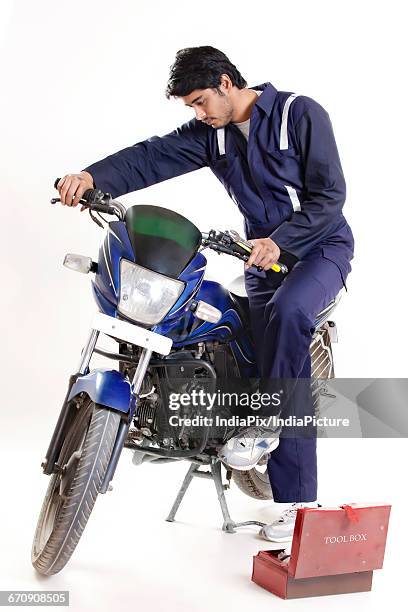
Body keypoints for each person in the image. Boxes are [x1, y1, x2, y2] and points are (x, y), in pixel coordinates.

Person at [56, 46, 354, 542]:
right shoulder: (212, 136)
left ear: (225, 82)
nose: (198, 113)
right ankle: (228, 432)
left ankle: (290, 476)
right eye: (191, 107)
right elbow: (151, 156)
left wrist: (281, 240)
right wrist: (92, 177)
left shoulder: (299, 113)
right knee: (237, 337)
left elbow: (330, 197)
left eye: (199, 101)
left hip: (320, 250)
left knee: (289, 312)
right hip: (257, 258)